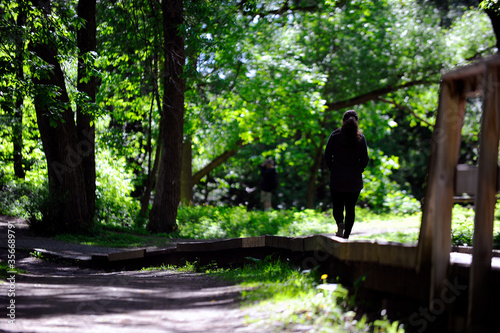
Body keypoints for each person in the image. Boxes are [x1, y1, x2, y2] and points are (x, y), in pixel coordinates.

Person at [324, 110, 369, 239]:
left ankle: (339, 223)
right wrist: (358, 169)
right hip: (354, 181)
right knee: (350, 208)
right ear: (357, 121)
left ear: (343, 121)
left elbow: (327, 156)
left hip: (337, 178)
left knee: (337, 205)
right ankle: (346, 236)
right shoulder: (360, 138)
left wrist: (333, 168)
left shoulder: (335, 136)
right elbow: (365, 159)